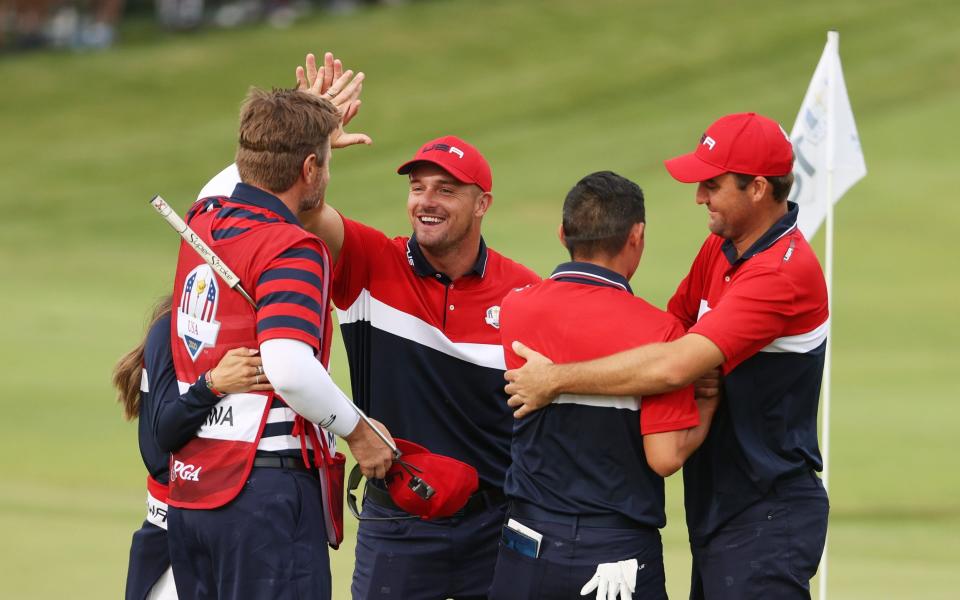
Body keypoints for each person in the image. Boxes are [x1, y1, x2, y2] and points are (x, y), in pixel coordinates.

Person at [198, 51, 541, 600]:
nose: (425, 202)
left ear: (483, 205)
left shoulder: (526, 290)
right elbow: (292, 207)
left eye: (445, 190)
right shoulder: (368, 259)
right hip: (398, 524)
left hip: (496, 524)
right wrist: (307, 133)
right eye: (417, 188)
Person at [505, 112, 830, 599]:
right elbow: (663, 333)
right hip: (723, 501)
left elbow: (672, 363)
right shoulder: (720, 248)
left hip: (767, 508)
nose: (699, 196)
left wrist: (555, 379)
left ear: (758, 188)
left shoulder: (780, 274)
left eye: (712, 184)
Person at [164, 85, 395, 600]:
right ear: (310, 169)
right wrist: (358, 431)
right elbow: (288, 367)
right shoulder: (293, 247)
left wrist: (287, 127)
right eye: (326, 162)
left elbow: (230, 177)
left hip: (194, 492)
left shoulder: (200, 220)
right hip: (263, 498)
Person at [487, 171, 717, 600]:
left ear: (562, 233)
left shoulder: (516, 308)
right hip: (618, 552)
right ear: (637, 235)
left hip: (527, 540)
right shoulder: (662, 333)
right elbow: (664, 457)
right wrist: (706, 404)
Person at [112, 296, 269, 600]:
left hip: (232, 537)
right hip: (171, 544)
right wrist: (212, 385)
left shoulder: (260, 329)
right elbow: (159, 449)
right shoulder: (171, 327)